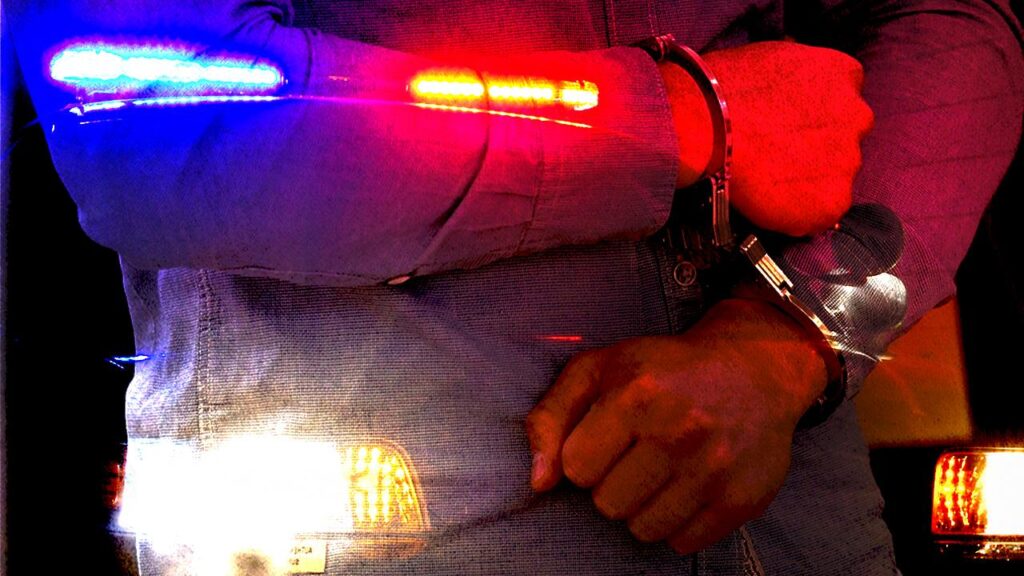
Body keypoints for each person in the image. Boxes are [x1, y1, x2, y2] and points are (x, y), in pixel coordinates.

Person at [6, 0, 1022, 574]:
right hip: (371, 535)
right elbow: (138, 108)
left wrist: (792, 337)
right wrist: (677, 119)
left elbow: (947, 17)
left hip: (790, 513)